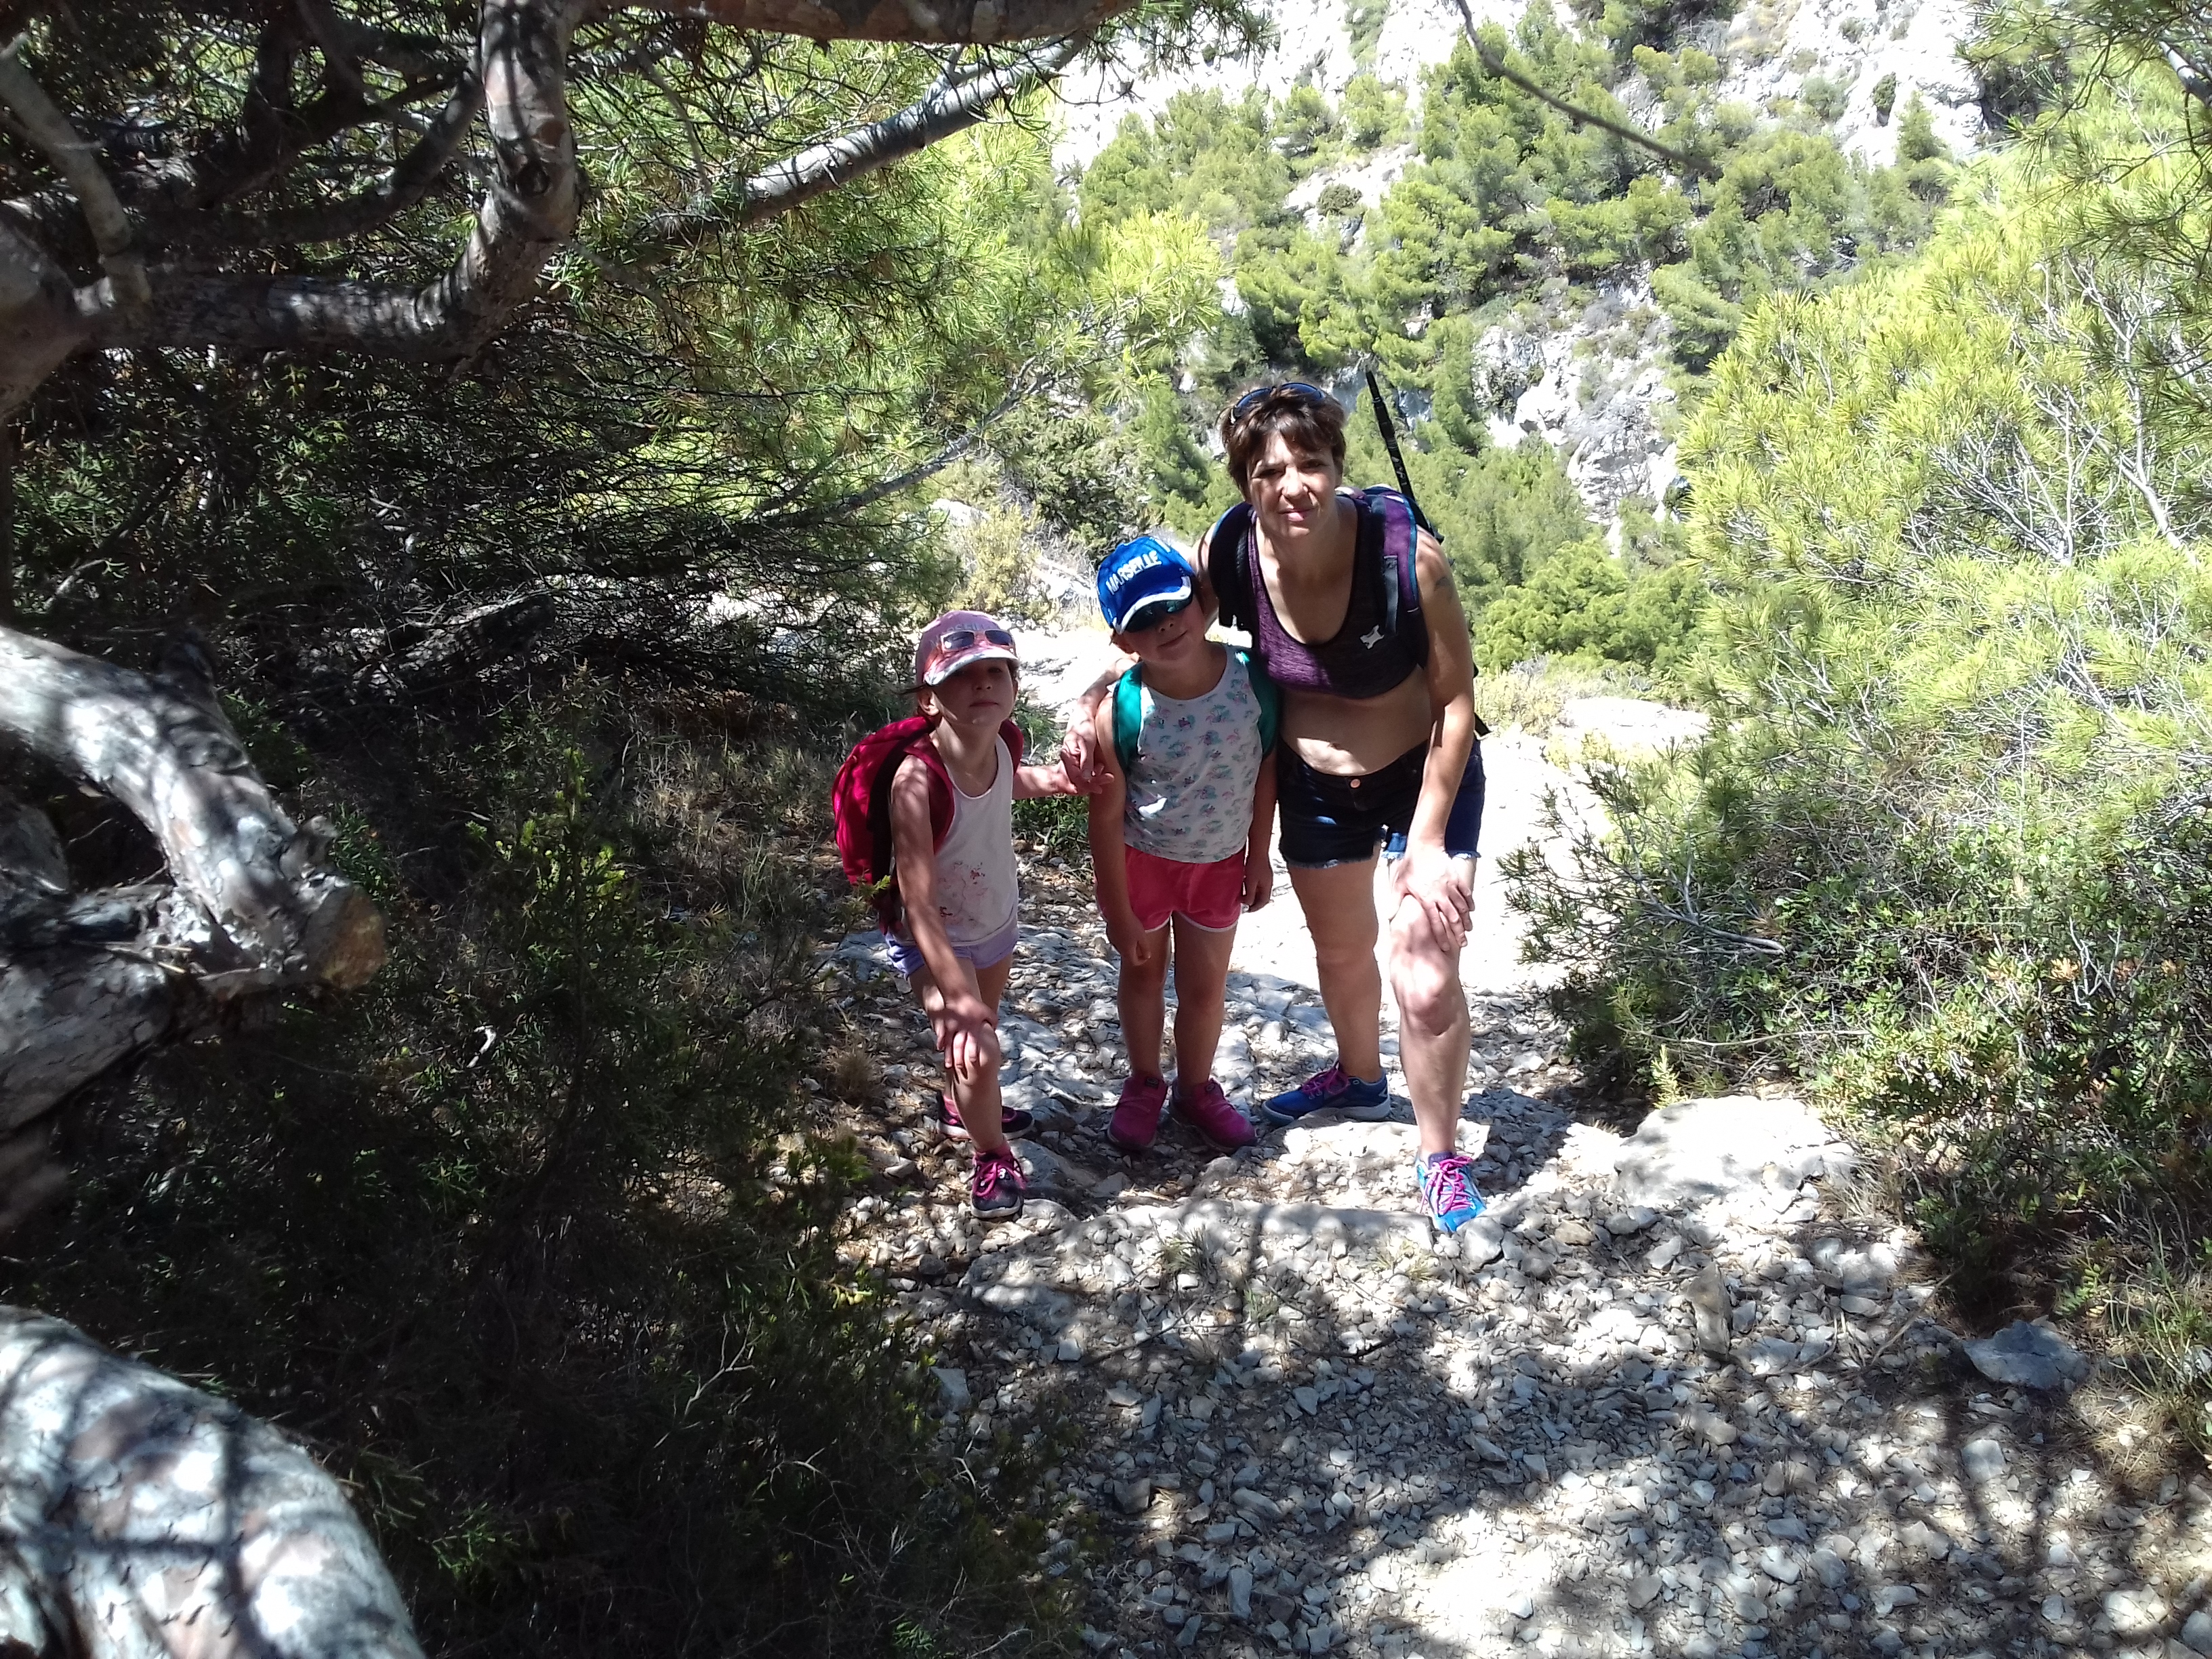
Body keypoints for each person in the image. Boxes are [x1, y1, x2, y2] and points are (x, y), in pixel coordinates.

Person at [1061, 385, 1489, 1234]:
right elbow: (1161, 628)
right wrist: (1087, 703)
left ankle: (1440, 1158)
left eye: (1311, 464)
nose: (1293, 486)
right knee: (1342, 950)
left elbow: (1456, 703)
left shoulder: (1409, 562)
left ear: (1337, 466)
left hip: (1423, 776)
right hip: (1315, 783)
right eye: (1268, 472)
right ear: (1245, 483)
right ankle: (1360, 1080)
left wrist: (1429, 841)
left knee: (1424, 967)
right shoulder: (1228, 551)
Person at [886, 611, 1084, 1221]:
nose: (983, 683)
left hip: (994, 921)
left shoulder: (999, 744)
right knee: (977, 1048)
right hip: (936, 937)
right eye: (963, 675)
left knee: (980, 1033)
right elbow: (917, 901)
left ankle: (960, 1108)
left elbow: (1007, 784)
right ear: (929, 699)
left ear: (1015, 688)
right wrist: (954, 991)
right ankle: (991, 1155)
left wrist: (1061, 781)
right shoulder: (915, 781)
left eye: (998, 671)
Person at [1085, 534, 1279, 1155]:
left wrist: (1259, 853)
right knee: (1142, 976)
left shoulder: (1252, 681)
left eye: (1175, 605)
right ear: (1123, 640)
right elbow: (1105, 813)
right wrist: (1117, 910)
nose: (1167, 625)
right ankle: (1144, 1083)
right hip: (1143, 863)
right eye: (1145, 619)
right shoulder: (1122, 706)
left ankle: (1196, 1089)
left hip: (1219, 865)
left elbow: (1265, 767)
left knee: (1205, 987)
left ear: (1202, 602)